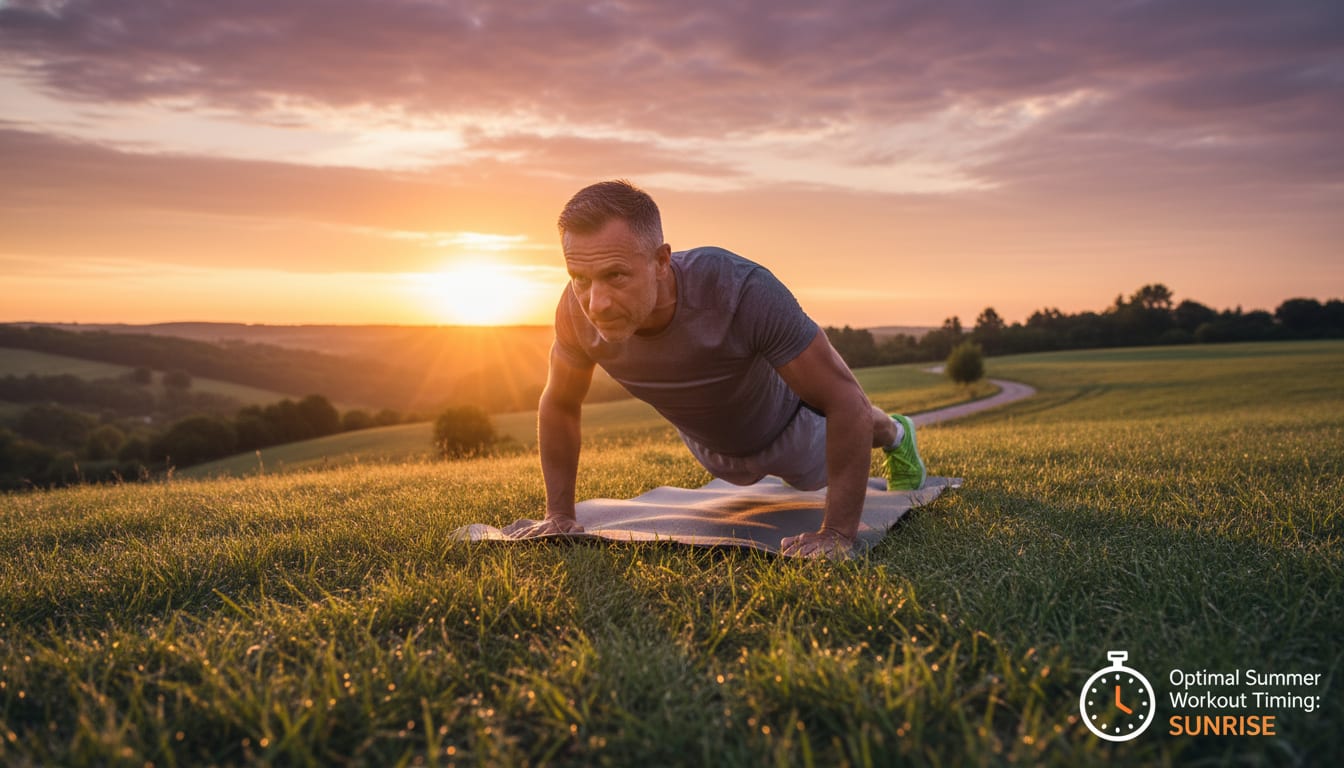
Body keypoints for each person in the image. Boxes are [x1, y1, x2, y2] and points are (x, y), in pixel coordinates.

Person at [514, 180, 926, 558]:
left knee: (826, 449)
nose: (595, 303)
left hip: (789, 426)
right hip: (712, 446)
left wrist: (836, 533)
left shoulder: (740, 290)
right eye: (579, 278)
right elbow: (560, 404)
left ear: (661, 261)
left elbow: (845, 400)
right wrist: (558, 514)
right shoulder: (573, 311)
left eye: (615, 275)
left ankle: (894, 432)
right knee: (739, 466)